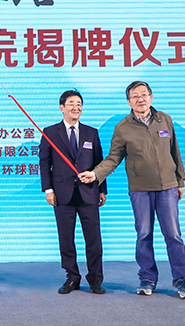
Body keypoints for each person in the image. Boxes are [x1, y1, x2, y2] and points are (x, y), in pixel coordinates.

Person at [79, 81, 185, 299]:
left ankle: (183, 279)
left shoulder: (165, 119)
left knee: (173, 235)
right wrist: (95, 174)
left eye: (144, 94)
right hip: (140, 190)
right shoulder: (122, 127)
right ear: (128, 102)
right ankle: (147, 278)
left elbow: (174, 152)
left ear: (151, 97)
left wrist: (180, 181)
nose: (140, 99)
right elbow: (113, 158)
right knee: (144, 234)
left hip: (168, 187)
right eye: (135, 96)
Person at [39, 90, 107, 295]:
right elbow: (44, 163)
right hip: (62, 194)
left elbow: (99, 162)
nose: (76, 107)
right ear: (62, 107)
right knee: (66, 239)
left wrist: (102, 189)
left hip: (89, 193)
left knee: (93, 239)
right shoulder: (50, 132)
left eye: (79, 104)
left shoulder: (91, 132)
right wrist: (48, 190)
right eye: (71, 103)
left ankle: (95, 278)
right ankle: (72, 277)